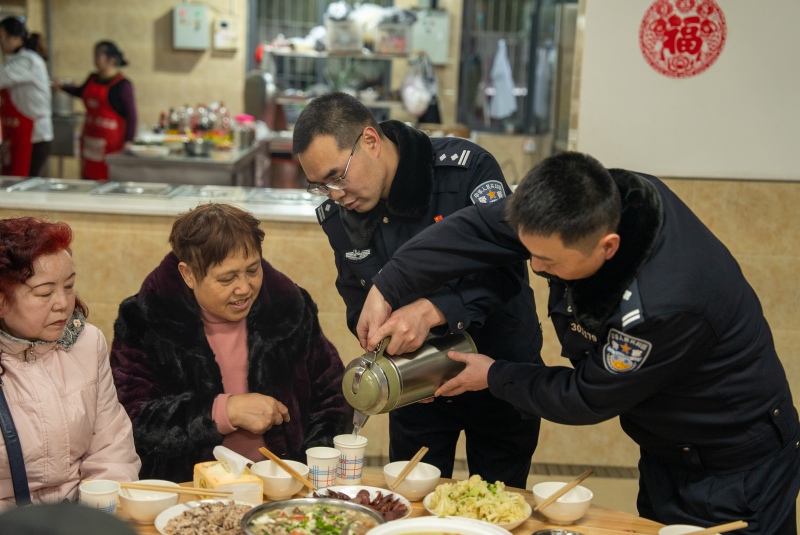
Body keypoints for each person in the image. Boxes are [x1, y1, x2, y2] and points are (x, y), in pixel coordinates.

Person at [357, 151, 800, 534]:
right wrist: (387, 286)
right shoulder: (593, 199)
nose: (534, 265)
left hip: (736, 463)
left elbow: (586, 396)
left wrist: (493, 375)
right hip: (665, 446)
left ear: (607, 247)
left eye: (547, 262)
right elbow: (478, 230)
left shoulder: (661, 308)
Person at [292, 92, 543, 488]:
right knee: (409, 501)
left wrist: (431, 311)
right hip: (416, 387)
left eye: (337, 176)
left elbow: (507, 272)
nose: (335, 194)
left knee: (498, 504)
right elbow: (357, 294)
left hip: (500, 371)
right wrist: (377, 339)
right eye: (320, 186)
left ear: (370, 142)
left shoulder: (465, 171)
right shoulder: (341, 213)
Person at [109, 203, 351, 482]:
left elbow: (333, 396)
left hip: (283, 485)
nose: (244, 288)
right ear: (188, 274)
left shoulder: (288, 309)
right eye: (227, 278)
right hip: (190, 489)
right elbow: (132, 421)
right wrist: (224, 411)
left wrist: (303, 469)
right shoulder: (145, 320)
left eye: (253, 270)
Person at [0, 217, 140, 510]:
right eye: (45, 292)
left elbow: (111, 448)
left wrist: (97, 517)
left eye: (69, 286)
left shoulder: (87, 343)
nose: (63, 303)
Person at [54, 40, 136, 180]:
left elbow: (132, 115)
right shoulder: (93, 78)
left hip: (111, 145)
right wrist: (62, 86)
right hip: (90, 139)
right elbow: (80, 91)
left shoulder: (123, 85)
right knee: (88, 177)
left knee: (107, 180)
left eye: (99, 56)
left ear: (112, 59)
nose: (95, 59)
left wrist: (129, 140)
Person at [0, 17, 53, 177]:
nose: (0, 42)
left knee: (25, 188)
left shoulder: (28, 61)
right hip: (18, 134)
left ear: (15, 38)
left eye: (1, 36)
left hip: (34, 136)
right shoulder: (15, 61)